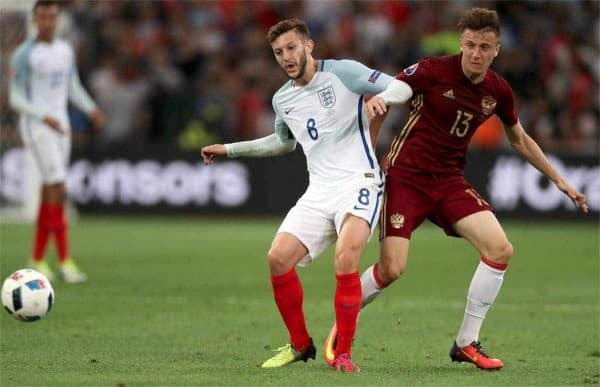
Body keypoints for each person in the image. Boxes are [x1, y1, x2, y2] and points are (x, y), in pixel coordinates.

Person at [323, 7, 589, 371]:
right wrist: (381, 118)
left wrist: (560, 181)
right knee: (393, 268)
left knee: (500, 248)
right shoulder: (433, 70)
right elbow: (393, 91)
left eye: (484, 46)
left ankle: (466, 343)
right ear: (461, 44)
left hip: (448, 181)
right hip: (406, 177)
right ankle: (344, 323)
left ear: (496, 50)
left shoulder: (498, 90)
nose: (475, 53)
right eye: (469, 45)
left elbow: (520, 140)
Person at [201, 18, 412, 372]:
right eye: (279, 52)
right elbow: (281, 142)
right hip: (319, 189)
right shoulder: (283, 99)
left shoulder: (344, 73)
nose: (286, 57)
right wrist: (229, 149)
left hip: (359, 181)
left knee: (346, 258)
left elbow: (402, 89)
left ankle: (342, 353)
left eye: (291, 48)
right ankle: (300, 344)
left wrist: (381, 98)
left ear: (308, 46)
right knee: (277, 258)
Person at [9, 0, 105, 283]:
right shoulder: (25, 54)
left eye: (52, 17)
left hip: (60, 126)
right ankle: (64, 260)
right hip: (37, 126)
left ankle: (37, 258)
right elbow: (16, 98)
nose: (48, 22)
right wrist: (43, 116)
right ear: (34, 20)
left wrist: (90, 109)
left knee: (51, 189)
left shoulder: (65, 50)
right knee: (59, 188)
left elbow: (72, 86)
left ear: (58, 19)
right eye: (42, 17)